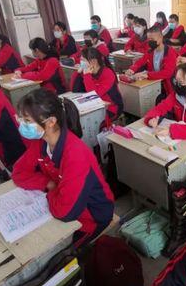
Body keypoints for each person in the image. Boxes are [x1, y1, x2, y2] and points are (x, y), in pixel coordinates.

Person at [12, 89, 114, 246]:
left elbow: (65, 213)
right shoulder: (41, 142)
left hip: (92, 214)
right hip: (65, 202)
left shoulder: (75, 154)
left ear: (51, 121)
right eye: (21, 119)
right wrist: (48, 183)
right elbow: (18, 173)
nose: (21, 124)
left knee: (57, 251)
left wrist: (52, 191)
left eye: (27, 120)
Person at [125, 25, 178, 99]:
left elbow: (167, 72)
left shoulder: (170, 52)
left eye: (152, 39)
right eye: (148, 39)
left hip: (166, 85)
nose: (150, 41)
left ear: (161, 38)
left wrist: (147, 75)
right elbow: (141, 61)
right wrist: (132, 69)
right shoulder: (151, 50)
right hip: (154, 81)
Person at [77, 47, 123, 126]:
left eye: (83, 60)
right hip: (95, 105)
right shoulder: (88, 71)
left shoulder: (107, 73)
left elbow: (94, 95)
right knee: (77, 119)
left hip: (112, 108)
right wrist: (77, 73)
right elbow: (75, 89)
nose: (81, 62)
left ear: (93, 61)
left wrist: (87, 75)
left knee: (87, 123)